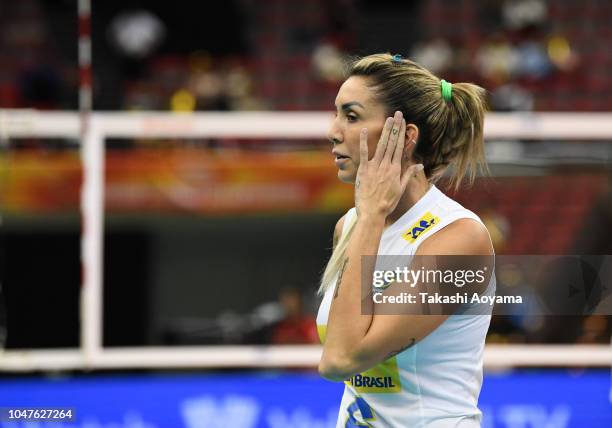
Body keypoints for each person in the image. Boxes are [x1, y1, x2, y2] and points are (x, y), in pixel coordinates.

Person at [316, 53, 496, 427]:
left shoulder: (460, 239)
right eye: (336, 115)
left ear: (406, 135)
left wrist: (369, 216)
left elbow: (341, 360)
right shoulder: (349, 225)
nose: (334, 131)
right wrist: (366, 219)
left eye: (351, 116)